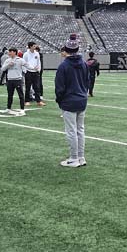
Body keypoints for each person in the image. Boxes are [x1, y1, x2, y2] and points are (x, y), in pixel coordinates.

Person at [55, 34, 89, 167]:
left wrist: (60, 101)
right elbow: (88, 82)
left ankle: (74, 158)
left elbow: (59, 88)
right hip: (82, 99)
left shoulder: (63, 66)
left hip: (69, 101)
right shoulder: (84, 64)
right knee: (80, 130)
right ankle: (81, 157)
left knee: (71, 131)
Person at [1, 47, 27, 114]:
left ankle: (22, 109)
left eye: (11, 52)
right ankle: (8, 108)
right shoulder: (7, 60)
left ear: (15, 52)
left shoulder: (20, 60)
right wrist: (8, 65)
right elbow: (3, 69)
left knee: (20, 95)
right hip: (10, 80)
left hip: (17, 79)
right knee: (10, 95)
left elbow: (26, 65)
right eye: (9, 52)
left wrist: (32, 69)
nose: (9, 53)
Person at [23, 42, 44, 106]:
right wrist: (28, 70)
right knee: (28, 87)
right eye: (34, 46)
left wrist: (38, 70)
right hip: (28, 72)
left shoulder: (37, 53)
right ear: (30, 46)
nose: (35, 47)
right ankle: (27, 101)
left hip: (36, 72)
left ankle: (38, 101)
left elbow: (38, 62)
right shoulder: (26, 54)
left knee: (37, 87)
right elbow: (24, 63)